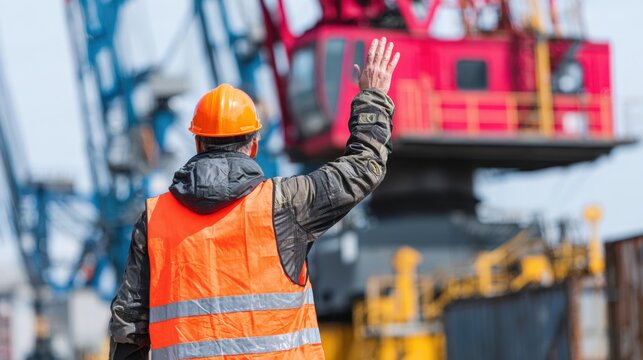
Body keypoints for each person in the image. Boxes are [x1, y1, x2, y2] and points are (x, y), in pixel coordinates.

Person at [109, 37, 400, 359]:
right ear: (254, 146)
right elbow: (363, 168)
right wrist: (373, 97)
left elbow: (130, 327)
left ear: (198, 145)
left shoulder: (154, 219)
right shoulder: (286, 204)